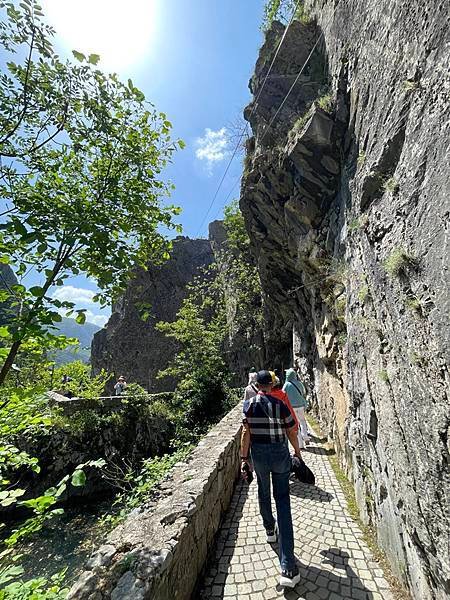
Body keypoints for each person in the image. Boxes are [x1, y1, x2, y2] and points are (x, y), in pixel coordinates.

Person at [241, 370, 302, 588]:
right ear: (272, 385)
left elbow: (246, 433)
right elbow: (291, 432)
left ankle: (269, 529)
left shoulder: (248, 406)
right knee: (283, 501)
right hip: (279, 454)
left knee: (262, 491)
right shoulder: (279, 404)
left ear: (256, 386)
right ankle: (288, 567)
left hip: (259, 455)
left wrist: (243, 459)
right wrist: (298, 454)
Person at [283, 368, 310, 448]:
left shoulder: (286, 385)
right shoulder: (299, 383)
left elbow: (283, 394)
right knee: (302, 421)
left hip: (291, 407)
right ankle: (305, 436)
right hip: (301, 405)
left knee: (295, 424)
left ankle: (300, 444)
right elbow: (304, 392)